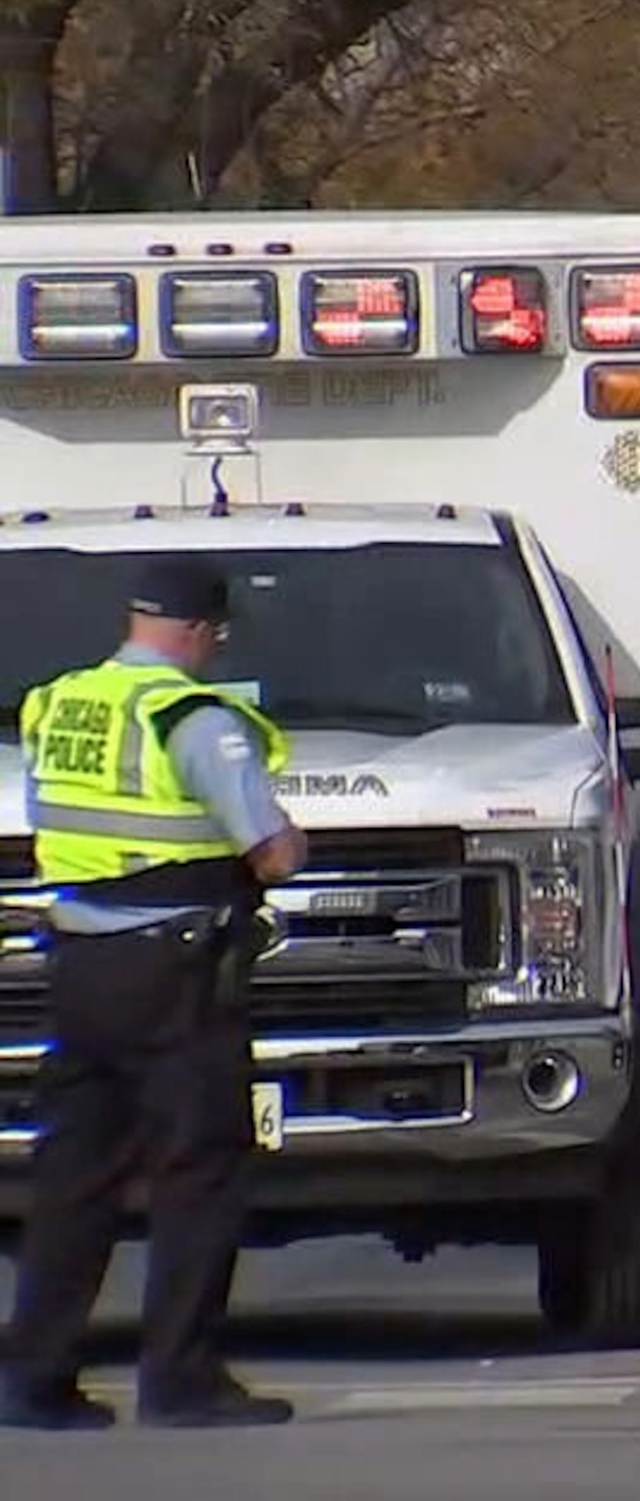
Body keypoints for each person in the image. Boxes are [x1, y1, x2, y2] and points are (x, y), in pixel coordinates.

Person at [2, 558, 307, 1431]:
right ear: (200, 630)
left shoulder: (60, 703)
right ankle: (181, 1379)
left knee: (75, 1176)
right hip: (175, 969)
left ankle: (34, 1378)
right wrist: (290, 843)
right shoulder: (196, 719)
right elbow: (271, 852)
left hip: (80, 964)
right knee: (197, 1172)